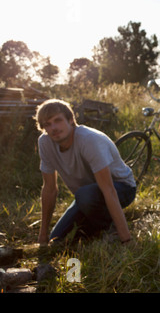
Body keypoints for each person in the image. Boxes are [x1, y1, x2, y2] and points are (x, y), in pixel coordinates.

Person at [35, 99, 136, 245]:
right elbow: (49, 189)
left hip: (121, 187)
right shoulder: (45, 142)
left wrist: (126, 239)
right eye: (47, 124)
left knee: (85, 195)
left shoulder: (89, 140)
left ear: (71, 120)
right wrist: (42, 236)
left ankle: (111, 227)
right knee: (56, 239)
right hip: (86, 195)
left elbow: (108, 190)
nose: (54, 128)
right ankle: (93, 224)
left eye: (58, 120)